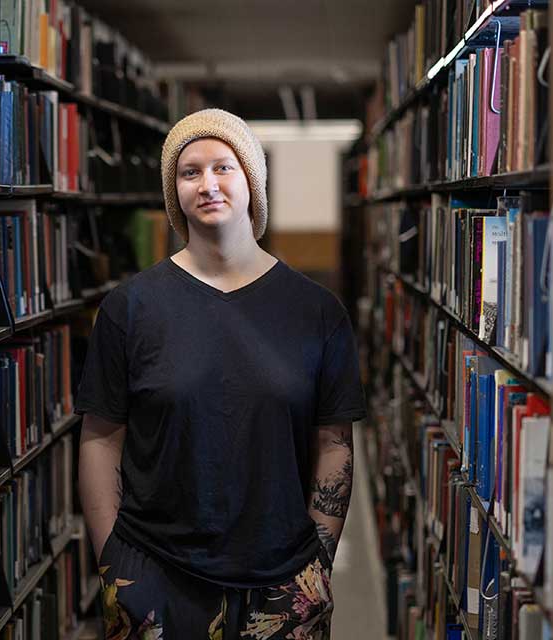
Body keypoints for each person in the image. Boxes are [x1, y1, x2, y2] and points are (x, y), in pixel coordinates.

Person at [74, 108, 366, 639]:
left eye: (223, 167)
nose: (208, 184)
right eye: (190, 172)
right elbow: (100, 439)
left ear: (251, 180)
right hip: (155, 575)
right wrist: (114, 566)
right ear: (174, 193)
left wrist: (317, 566)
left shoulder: (317, 312)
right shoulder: (130, 309)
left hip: (284, 580)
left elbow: (334, 442)